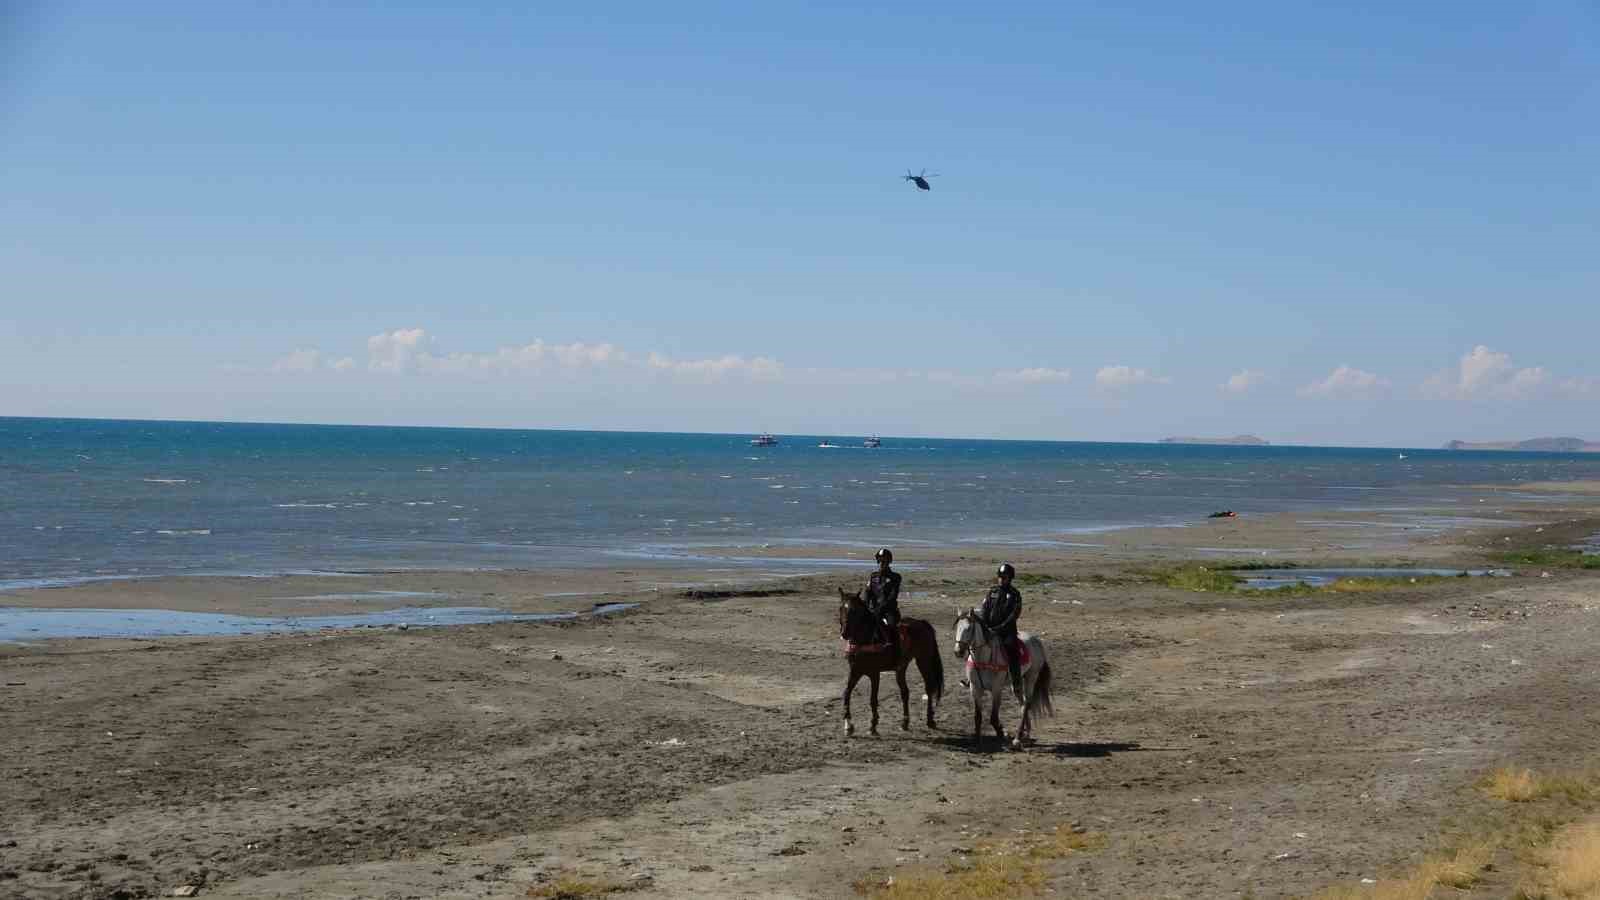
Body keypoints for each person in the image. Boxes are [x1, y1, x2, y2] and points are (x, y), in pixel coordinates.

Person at [980, 562, 1024, 703]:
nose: (1001, 579)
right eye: (1000, 576)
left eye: (1004, 577)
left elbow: (1013, 616)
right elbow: (984, 609)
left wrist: (997, 629)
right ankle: (972, 678)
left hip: (1006, 632)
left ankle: (1016, 682)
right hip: (990, 629)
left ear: (1010, 578)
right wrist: (985, 626)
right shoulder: (992, 592)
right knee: (975, 645)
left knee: (1012, 651)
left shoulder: (1015, 595)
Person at [864, 548, 902, 653]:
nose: (881, 564)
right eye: (880, 561)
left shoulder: (895, 577)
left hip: (888, 610)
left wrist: (880, 608)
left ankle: (895, 651)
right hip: (874, 609)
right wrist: (866, 606)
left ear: (888, 562)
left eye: (884, 561)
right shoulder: (873, 577)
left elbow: (892, 597)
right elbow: (868, 593)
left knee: (892, 627)